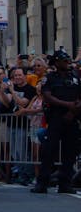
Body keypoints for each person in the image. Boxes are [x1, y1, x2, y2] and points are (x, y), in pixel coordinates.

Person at [30, 49, 80, 194]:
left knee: (69, 153)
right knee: (48, 151)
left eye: (68, 60)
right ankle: (42, 183)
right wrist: (67, 105)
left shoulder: (75, 77)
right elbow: (47, 96)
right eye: (64, 61)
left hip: (72, 118)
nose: (67, 63)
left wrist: (72, 111)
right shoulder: (50, 78)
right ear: (56, 63)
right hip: (56, 118)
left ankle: (65, 183)